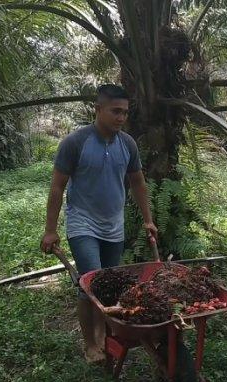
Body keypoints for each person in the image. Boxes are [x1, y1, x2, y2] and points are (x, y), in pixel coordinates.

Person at [40, 84, 157, 362]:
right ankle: (90, 343)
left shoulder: (127, 143)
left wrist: (148, 220)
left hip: (113, 226)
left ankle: (105, 334)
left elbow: (138, 182)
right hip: (83, 223)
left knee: (110, 285)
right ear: (98, 109)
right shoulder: (76, 142)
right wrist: (50, 229)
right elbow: (57, 187)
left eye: (125, 113)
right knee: (90, 282)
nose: (121, 117)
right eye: (115, 111)